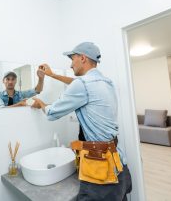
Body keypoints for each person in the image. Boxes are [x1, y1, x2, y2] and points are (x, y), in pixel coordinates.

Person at [32, 42, 132, 200]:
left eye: (72, 59)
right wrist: (52, 75)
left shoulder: (83, 84)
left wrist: (41, 104)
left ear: (83, 58)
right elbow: (78, 84)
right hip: (118, 163)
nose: (71, 64)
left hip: (100, 169)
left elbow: (51, 113)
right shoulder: (107, 82)